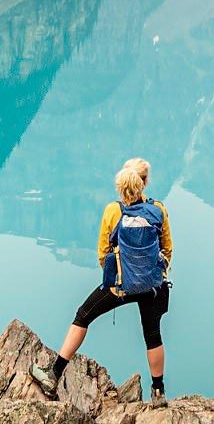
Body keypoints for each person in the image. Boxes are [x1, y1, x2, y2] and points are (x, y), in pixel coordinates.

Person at [31, 157, 173, 405]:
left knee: (83, 315)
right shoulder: (158, 209)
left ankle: (54, 375)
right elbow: (167, 249)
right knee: (153, 334)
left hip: (120, 285)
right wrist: (152, 275)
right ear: (145, 182)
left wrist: (119, 277)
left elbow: (102, 252)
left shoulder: (113, 210)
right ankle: (158, 392)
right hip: (153, 286)